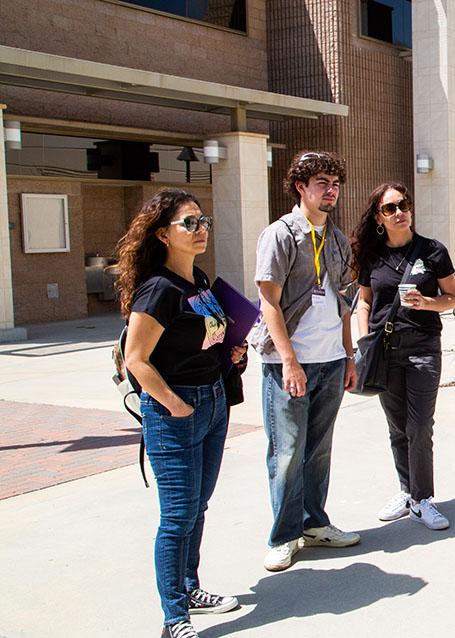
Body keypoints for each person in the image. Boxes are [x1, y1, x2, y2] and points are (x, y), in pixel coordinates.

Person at [116, 189, 247, 638]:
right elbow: (136, 358)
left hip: (212, 403)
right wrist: (173, 403)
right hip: (177, 411)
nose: (200, 229)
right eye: (189, 223)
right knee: (177, 516)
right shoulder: (158, 290)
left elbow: (206, 340)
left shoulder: (201, 283)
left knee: (198, 507)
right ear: (162, 234)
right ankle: (175, 619)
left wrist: (232, 352)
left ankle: (189, 588)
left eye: (203, 220)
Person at [248, 151, 360, 572]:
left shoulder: (337, 239)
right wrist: (289, 361)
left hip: (331, 359)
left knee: (319, 450)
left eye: (335, 184)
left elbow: (344, 303)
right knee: (288, 452)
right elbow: (269, 303)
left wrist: (348, 356)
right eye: (322, 184)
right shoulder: (280, 235)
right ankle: (284, 535)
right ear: (301, 186)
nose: (330, 192)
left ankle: (314, 524)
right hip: (290, 364)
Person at [351, 183, 455, 530]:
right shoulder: (372, 256)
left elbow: (452, 297)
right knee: (397, 426)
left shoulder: (432, 251)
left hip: (423, 347)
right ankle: (406, 490)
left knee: (419, 424)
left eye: (404, 204)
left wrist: (426, 303)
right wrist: (363, 342)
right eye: (390, 208)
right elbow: (365, 301)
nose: (400, 212)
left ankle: (423, 498)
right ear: (379, 217)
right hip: (385, 349)